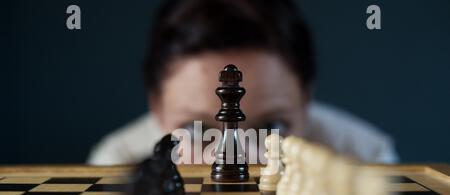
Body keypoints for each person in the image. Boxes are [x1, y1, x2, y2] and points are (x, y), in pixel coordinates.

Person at [88, 0, 398, 165]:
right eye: (198, 130)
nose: (241, 159)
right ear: (155, 107)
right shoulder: (117, 166)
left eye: (273, 127)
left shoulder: (367, 160)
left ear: (307, 97)